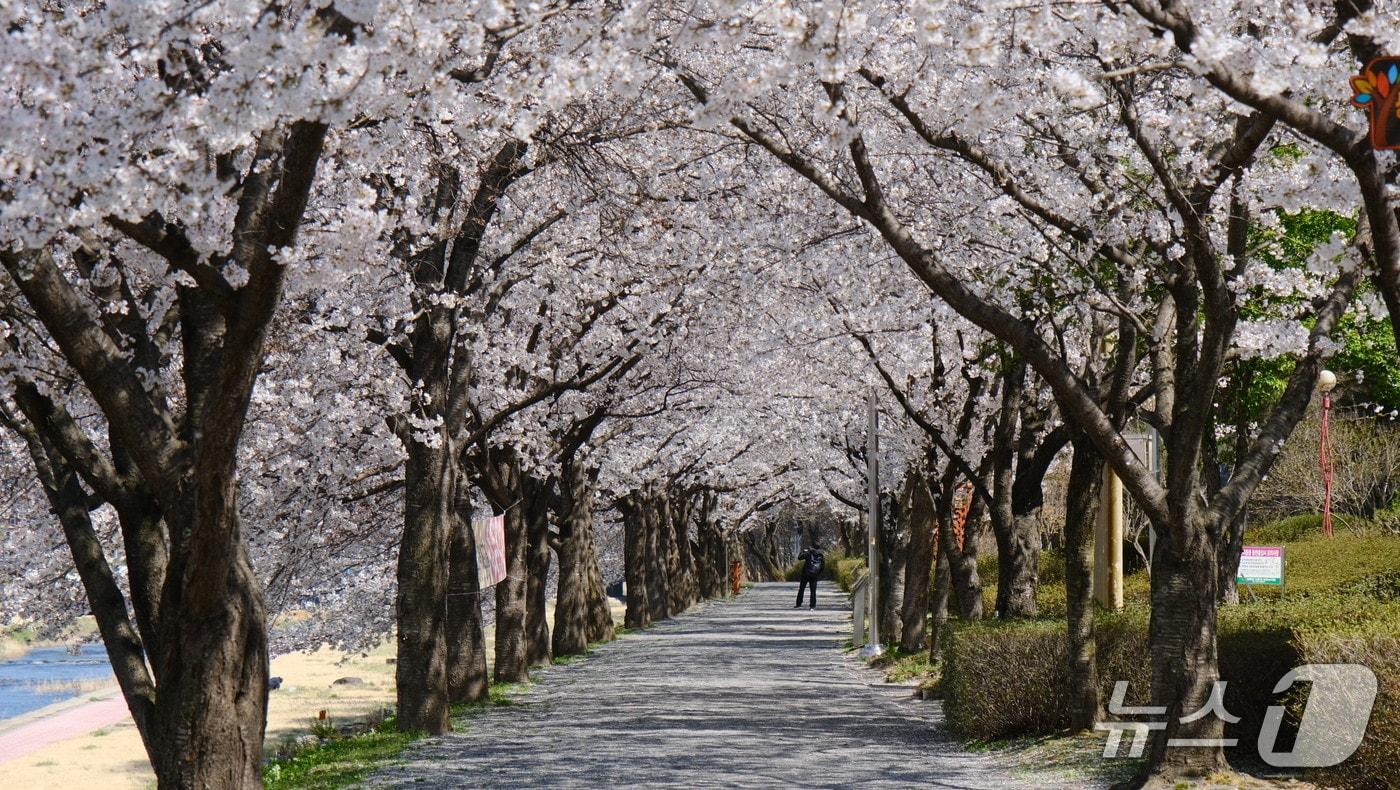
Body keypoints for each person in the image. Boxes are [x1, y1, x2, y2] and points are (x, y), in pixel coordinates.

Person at [794, 542, 824, 609]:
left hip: (806, 573)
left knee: (802, 589)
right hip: (815, 575)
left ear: (812, 546)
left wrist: (803, 551)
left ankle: (798, 604)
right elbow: (822, 566)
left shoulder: (809, 552)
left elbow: (799, 558)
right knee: (813, 590)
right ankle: (812, 606)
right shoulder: (820, 555)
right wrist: (818, 574)